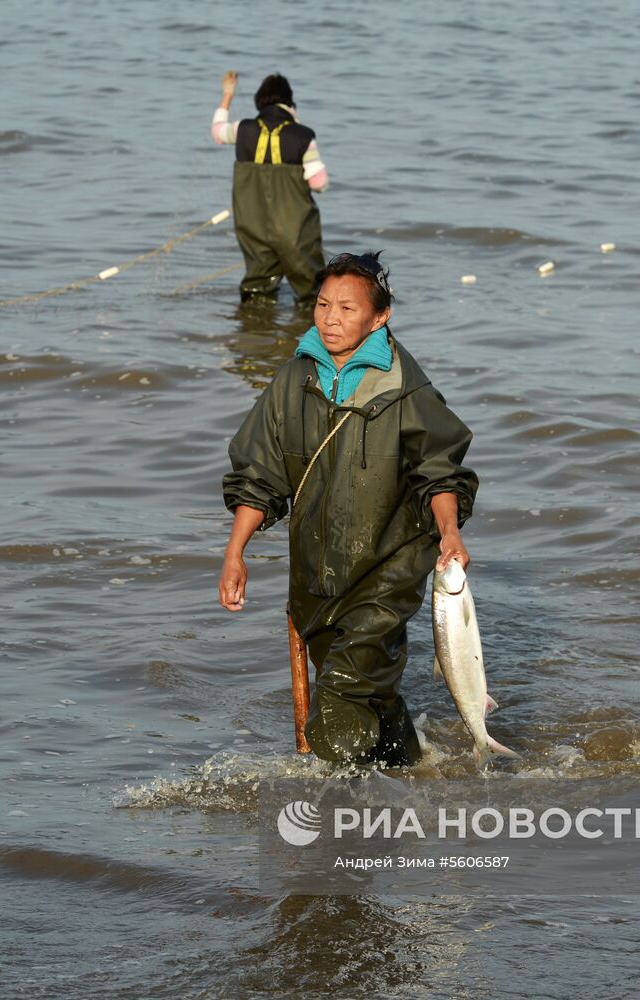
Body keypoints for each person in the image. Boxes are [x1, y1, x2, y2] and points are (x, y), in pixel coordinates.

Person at [218, 252, 479, 767]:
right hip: (313, 578)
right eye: (321, 305)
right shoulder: (293, 382)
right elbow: (259, 475)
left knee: (338, 702)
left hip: (388, 572)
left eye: (346, 308)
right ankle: (412, 774)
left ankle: (338, 823)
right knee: (370, 697)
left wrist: (449, 532)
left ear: (379, 317)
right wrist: (235, 554)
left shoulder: (406, 388)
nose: (330, 318)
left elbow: (440, 470)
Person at [211, 71, 328, 307]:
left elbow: (217, 132)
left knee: (257, 292)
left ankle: (255, 334)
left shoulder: (242, 129)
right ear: (289, 101)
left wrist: (227, 94)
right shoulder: (303, 136)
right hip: (296, 230)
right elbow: (320, 183)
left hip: (252, 226)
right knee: (313, 296)